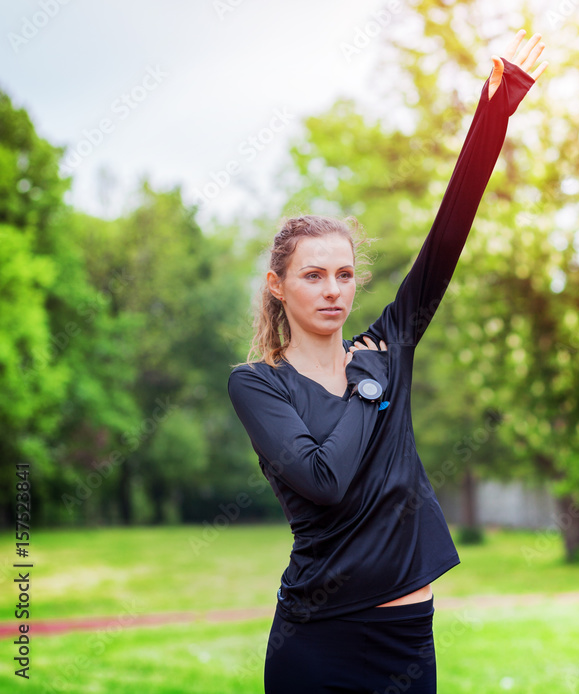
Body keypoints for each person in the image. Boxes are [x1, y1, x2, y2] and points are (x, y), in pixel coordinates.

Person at [227, 30, 547, 694]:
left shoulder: (387, 348)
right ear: (278, 285)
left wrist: (497, 108)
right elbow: (324, 479)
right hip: (315, 643)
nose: (334, 289)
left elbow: (448, 234)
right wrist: (364, 391)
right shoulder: (259, 385)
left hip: (406, 644)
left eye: (344, 274)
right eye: (313, 275)